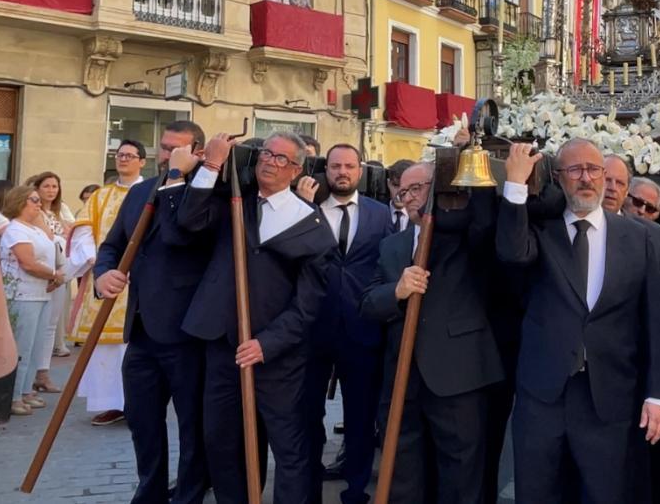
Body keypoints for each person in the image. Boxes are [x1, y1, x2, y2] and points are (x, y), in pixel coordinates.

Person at [497, 139, 660, 503]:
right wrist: (515, 184)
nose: (586, 178)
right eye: (574, 170)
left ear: (606, 177)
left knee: (606, 494)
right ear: (558, 178)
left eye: (594, 169)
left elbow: (655, 320)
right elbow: (510, 255)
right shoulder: (538, 231)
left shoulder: (638, 238)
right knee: (538, 494)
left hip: (610, 399)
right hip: (543, 398)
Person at [176, 131, 334, 504]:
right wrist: (213, 164)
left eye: (281, 158)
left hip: (278, 357)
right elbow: (188, 219)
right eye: (266, 153)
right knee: (221, 441)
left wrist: (267, 344)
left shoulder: (311, 226)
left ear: (296, 170)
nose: (269, 161)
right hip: (224, 348)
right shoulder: (234, 204)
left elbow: (308, 304)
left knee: (289, 447)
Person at [360, 162, 505, 504]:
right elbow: (368, 301)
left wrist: (470, 156)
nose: (408, 198)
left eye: (418, 188)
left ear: (439, 186)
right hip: (402, 377)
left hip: (457, 377)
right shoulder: (392, 246)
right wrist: (396, 291)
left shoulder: (464, 234)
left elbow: (486, 223)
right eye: (403, 191)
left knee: (460, 477)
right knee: (402, 472)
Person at [94, 123, 213, 504]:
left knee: (193, 424)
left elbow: (185, 235)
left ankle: (190, 494)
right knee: (142, 419)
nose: (167, 156)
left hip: (186, 331)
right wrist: (103, 274)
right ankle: (150, 491)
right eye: (164, 148)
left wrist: (179, 177)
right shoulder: (141, 191)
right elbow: (113, 245)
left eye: (177, 149)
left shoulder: (207, 191)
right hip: (141, 329)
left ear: (197, 150)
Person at [304, 144, 393, 504]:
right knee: (309, 413)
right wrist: (301, 206)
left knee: (360, 414)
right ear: (325, 170)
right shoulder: (306, 209)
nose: (342, 172)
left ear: (360, 171)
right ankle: (307, 484)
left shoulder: (380, 213)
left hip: (362, 328)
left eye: (349, 166)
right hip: (312, 327)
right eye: (335, 166)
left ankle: (356, 488)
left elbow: (386, 265)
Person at [602, 161, 660, 504]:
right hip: (591, 375)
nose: (638, 209)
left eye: (648, 207)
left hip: (639, 375)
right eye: (636, 201)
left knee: (644, 472)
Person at [71, 141, 145, 426]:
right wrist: (96, 262)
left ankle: (138, 402)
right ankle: (112, 403)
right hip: (107, 277)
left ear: (141, 161)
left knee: (135, 344)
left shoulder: (151, 191)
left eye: (130, 155)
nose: (123, 159)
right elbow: (83, 231)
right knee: (105, 348)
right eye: (120, 154)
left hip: (140, 280)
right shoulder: (101, 196)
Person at [0, 185, 65, 416]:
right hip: (23, 294)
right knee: (22, 347)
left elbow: (51, 246)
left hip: (42, 293)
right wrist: (54, 275)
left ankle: (27, 390)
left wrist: (54, 275)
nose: (39, 204)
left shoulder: (34, 228)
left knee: (36, 347)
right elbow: (27, 262)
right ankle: (14, 395)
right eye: (33, 200)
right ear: (20, 202)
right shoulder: (15, 230)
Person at [28, 171, 75, 376]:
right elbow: (50, 237)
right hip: (43, 272)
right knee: (41, 324)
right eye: (46, 186)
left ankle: (43, 371)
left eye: (54, 186)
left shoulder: (58, 212)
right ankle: (35, 373)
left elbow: (69, 234)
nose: (51, 190)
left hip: (61, 269)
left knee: (52, 324)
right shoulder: (36, 213)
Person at [387, 159, 415, 231]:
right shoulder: (376, 214)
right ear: (389, 184)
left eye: (406, 188)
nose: (400, 192)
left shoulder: (421, 217)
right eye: (396, 186)